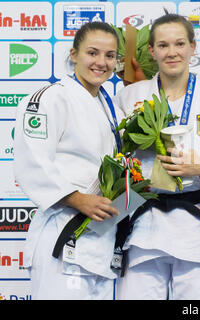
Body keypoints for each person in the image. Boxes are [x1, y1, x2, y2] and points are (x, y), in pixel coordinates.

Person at [114, 13, 200, 300]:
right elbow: (113, 155)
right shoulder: (129, 98)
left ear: (193, 47)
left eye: (179, 44)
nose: (172, 52)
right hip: (143, 225)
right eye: (163, 45)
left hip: (194, 226)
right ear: (151, 51)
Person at [13, 22, 123, 299]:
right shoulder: (50, 98)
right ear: (74, 54)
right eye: (92, 53)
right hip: (62, 236)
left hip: (98, 244)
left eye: (110, 56)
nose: (101, 62)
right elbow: (32, 161)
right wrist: (77, 199)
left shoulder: (110, 108)